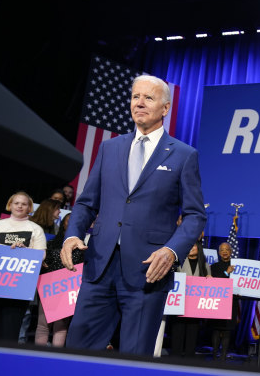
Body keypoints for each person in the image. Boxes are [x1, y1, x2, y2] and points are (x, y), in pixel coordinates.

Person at [60, 74, 206, 355]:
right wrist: (72, 235)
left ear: (165, 108)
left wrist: (172, 252)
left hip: (147, 270)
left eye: (148, 98)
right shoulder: (110, 147)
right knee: (78, 351)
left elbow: (194, 215)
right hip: (99, 266)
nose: (139, 103)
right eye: (135, 97)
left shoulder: (184, 155)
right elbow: (87, 203)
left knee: (133, 357)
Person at [0, 191, 47, 341]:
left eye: (24, 204)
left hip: (18, 288)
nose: (20, 206)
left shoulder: (36, 229)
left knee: (10, 330)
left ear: (29, 207)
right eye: (16, 203)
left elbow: (41, 255)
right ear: (10, 205)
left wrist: (24, 251)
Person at [35, 213, 84, 347]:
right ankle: (37, 357)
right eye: (68, 220)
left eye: (74, 220)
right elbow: (43, 262)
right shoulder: (51, 243)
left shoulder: (82, 246)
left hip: (68, 288)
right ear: (63, 223)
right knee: (43, 325)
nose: (71, 223)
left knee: (61, 327)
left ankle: (55, 359)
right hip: (49, 286)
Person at [169, 236, 211, 357]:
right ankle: (175, 357)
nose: (191, 248)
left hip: (195, 307)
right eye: (189, 246)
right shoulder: (178, 262)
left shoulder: (205, 266)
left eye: (193, 246)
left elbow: (210, 286)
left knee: (192, 333)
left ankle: (189, 358)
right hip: (179, 305)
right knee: (178, 331)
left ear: (199, 248)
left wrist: (210, 279)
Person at [210, 242, 238, 361]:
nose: (225, 251)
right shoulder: (214, 266)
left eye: (227, 249)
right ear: (219, 252)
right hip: (218, 301)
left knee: (227, 330)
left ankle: (223, 357)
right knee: (216, 329)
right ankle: (214, 355)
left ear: (231, 252)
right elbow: (215, 283)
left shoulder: (238, 266)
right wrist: (227, 272)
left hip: (232, 301)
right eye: (222, 250)